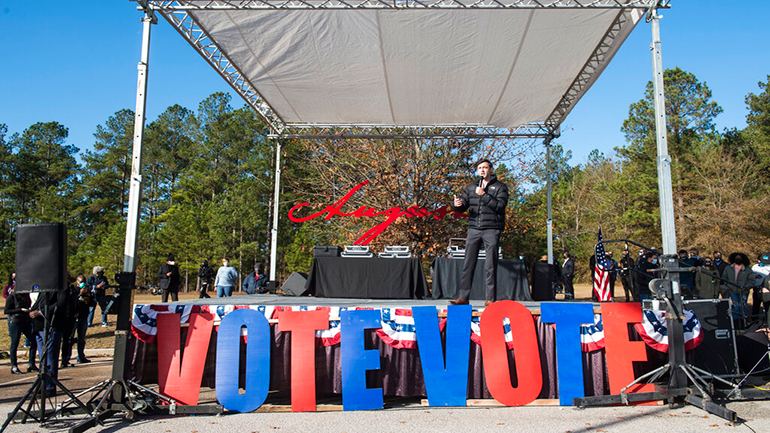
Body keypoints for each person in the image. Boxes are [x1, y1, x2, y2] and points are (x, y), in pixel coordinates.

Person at [449, 158, 509, 306]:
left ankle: (490, 299)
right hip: (474, 229)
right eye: (479, 168)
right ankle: (463, 297)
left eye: (485, 167)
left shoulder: (500, 187)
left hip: (492, 229)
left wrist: (484, 195)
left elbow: (501, 206)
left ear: (491, 169)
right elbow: (462, 206)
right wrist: (456, 205)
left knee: (490, 265)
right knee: (468, 264)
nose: (482, 170)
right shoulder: (471, 187)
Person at [29, 286, 72, 395]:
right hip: (39, 327)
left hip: (52, 326)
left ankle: (49, 386)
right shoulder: (45, 287)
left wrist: (40, 312)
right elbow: (39, 302)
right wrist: (31, 311)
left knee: (50, 357)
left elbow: (60, 305)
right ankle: (43, 384)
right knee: (42, 358)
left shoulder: (63, 287)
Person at [4, 291, 37, 374]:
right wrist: (20, 310)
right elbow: (6, 310)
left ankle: (31, 363)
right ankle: (14, 365)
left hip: (26, 321)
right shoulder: (12, 297)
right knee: (15, 343)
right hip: (16, 321)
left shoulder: (26, 296)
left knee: (34, 340)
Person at [722, 252, 754, 320]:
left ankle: (743, 321)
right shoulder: (728, 268)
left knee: (743, 306)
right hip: (732, 290)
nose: (738, 259)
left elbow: (752, 281)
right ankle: (735, 322)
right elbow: (724, 278)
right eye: (737, 258)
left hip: (744, 291)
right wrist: (728, 285)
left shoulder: (747, 270)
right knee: (735, 306)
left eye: (739, 258)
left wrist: (746, 286)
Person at [71, 274, 92, 363]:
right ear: (77, 281)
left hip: (83, 317)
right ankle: (66, 358)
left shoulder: (87, 290)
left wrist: (88, 295)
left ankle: (81, 356)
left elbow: (92, 304)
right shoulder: (74, 290)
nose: (82, 284)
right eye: (80, 282)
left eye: (84, 281)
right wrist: (80, 293)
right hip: (74, 318)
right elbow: (71, 301)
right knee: (70, 338)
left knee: (81, 339)